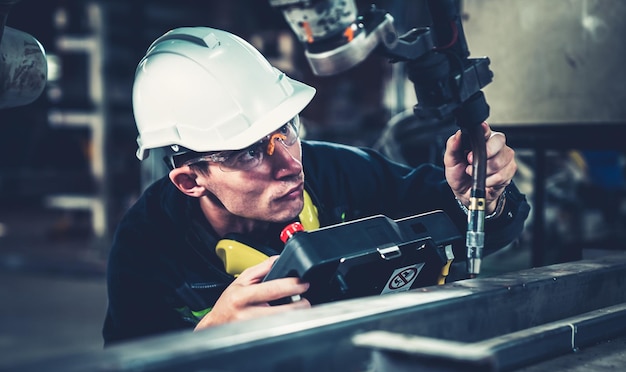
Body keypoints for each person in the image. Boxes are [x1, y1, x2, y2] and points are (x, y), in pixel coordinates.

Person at [102, 26, 530, 345]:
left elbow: (482, 231)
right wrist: (206, 338)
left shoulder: (342, 173)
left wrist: (481, 197)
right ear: (191, 180)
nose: (290, 164)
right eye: (250, 152)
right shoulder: (147, 247)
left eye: (286, 129)